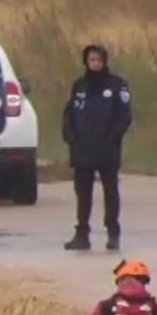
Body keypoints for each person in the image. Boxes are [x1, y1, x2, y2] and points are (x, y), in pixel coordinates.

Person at [62, 44, 132, 251]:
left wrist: (113, 137)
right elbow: (69, 114)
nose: (94, 63)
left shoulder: (117, 85)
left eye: (98, 60)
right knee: (83, 193)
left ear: (104, 61)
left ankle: (113, 233)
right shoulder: (80, 86)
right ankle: (82, 234)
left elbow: (124, 115)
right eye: (91, 60)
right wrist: (71, 137)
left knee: (110, 191)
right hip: (83, 148)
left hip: (107, 148)